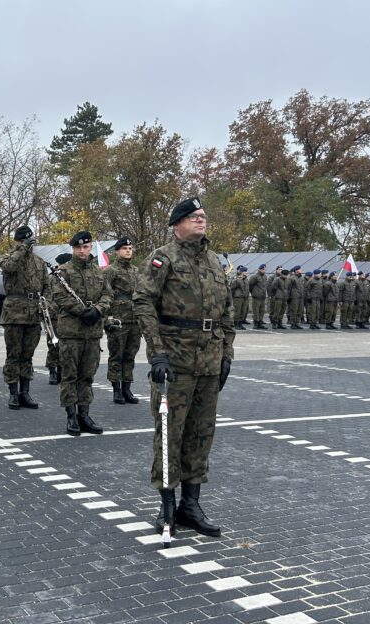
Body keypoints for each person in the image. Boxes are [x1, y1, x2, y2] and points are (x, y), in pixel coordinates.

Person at [134, 197, 234, 538]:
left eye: (204, 216)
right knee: (170, 434)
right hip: (175, 361)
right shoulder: (163, 258)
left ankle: (191, 505)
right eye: (194, 217)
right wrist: (157, 353)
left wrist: (227, 355)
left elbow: (227, 311)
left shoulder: (213, 261)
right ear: (177, 223)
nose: (201, 221)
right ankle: (166, 506)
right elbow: (143, 302)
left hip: (209, 361)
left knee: (201, 435)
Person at [51, 231, 112, 436]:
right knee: (70, 375)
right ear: (73, 249)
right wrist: (81, 312)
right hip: (72, 332)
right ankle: (71, 416)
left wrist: (98, 310)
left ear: (90, 247)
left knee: (87, 376)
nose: (82, 251)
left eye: (85, 247)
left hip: (93, 332)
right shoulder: (63, 271)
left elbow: (107, 294)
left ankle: (84, 414)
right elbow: (59, 296)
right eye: (78, 247)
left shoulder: (98, 272)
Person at [0, 226, 46, 410]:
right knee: (14, 355)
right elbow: (9, 267)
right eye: (24, 241)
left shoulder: (39, 262)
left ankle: (25, 392)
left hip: (33, 313)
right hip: (14, 314)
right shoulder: (9, 258)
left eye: (30, 241)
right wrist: (22, 249)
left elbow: (46, 286)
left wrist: (45, 305)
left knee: (27, 355)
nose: (29, 245)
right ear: (18, 242)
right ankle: (13, 393)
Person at [104, 237, 141, 404]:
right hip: (118, 320)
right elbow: (104, 295)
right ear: (117, 251)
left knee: (130, 355)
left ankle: (127, 388)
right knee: (116, 355)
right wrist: (107, 319)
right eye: (125, 248)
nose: (128, 250)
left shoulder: (136, 270)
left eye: (130, 248)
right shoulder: (111, 271)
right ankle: (116, 390)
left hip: (134, 320)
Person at [46, 253, 72, 384]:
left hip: (68, 315)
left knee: (65, 345)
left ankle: (61, 370)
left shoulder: (71, 277)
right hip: (55, 316)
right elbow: (48, 297)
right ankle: (52, 371)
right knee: (53, 345)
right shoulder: (52, 278)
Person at [248, 264, 269, 329]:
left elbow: (265, 286)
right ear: (260, 269)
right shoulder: (254, 277)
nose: (264, 270)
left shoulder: (265, 277)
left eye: (265, 269)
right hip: (256, 297)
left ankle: (260, 322)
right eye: (263, 269)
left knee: (262, 311)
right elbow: (250, 286)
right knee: (256, 311)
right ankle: (256, 323)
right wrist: (254, 293)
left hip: (263, 296)